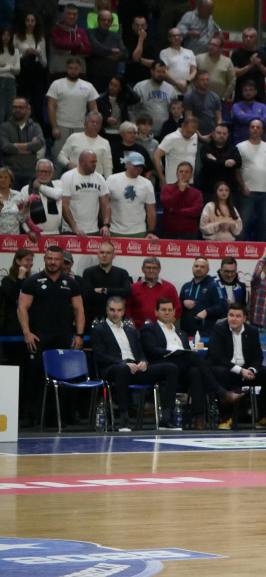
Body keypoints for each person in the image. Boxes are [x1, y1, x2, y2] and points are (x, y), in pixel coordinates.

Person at [141, 297, 241, 430]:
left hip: (181, 368)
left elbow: (186, 351)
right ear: (156, 312)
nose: (166, 312)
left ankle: (198, 418)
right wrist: (172, 352)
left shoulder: (181, 333)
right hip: (161, 365)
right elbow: (151, 350)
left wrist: (181, 353)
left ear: (174, 312)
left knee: (195, 371)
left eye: (169, 310)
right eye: (163, 310)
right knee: (194, 357)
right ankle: (221, 393)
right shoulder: (149, 329)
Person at [17, 244, 87, 424]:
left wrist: (79, 334)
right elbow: (22, 307)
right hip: (39, 337)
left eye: (56, 259)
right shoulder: (32, 282)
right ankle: (33, 418)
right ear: (44, 259)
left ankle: (63, 418)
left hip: (63, 338)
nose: (53, 262)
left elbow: (79, 309)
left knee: (65, 378)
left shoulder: (70, 283)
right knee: (36, 378)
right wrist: (27, 332)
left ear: (62, 261)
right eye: (49, 259)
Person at [91, 295, 179, 432]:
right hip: (113, 369)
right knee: (122, 369)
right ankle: (124, 420)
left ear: (123, 311)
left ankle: (166, 418)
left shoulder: (131, 331)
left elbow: (140, 353)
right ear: (107, 311)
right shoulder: (99, 330)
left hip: (135, 368)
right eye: (112, 310)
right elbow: (100, 355)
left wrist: (143, 362)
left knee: (171, 368)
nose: (116, 314)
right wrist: (123, 362)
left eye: (119, 310)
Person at [208, 303, 266, 430]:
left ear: (244, 318)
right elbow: (217, 357)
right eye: (231, 315)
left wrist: (251, 370)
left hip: (246, 370)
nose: (233, 319)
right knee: (221, 373)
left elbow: (258, 357)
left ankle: (264, 417)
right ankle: (225, 418)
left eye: (238, 316)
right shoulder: (218, 329)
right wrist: (240, 371)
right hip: (226, 368)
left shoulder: (252, 331)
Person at [237, 119, 266, 242]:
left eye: (258, 127)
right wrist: (242, 186)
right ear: (249, 129)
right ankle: (238, 253)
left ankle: (264, 255)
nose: (255, 129)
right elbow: (237, 170)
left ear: (262, 130)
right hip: (247, 192)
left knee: (265, 226)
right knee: (242, 224)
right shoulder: (240, 147)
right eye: (252, 127)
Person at [106, 152, 157, 238]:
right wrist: (106, 225)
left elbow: (151, 210)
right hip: (115, 230)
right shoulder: (112, 180)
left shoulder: (147, 184)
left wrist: (151, 231)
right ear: (127, 164)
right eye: (135, 165)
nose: (138, 168)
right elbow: (104, 204)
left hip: (139, 231)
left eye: (141, 166)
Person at [60, 151, 110, 238]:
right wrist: (74, 227)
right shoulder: (67, 177)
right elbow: (64, 204)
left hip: (93, 230)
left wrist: (106, 225)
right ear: (82, 161)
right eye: (92, 162)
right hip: (71, 230)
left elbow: (106, 204)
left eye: (95, 161)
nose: (95, 164)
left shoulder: (99, 178)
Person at [160, 161, 203, 239]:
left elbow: (196, 211)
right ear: (177, 174)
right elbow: (167, 205)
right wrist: (180, 191)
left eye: (186, 172)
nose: (183, 174)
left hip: (190, 234)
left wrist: (176, 211)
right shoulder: (166, 189)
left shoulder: (197, 193)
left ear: (191, 175)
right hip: (170, 233)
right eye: (181, 171)